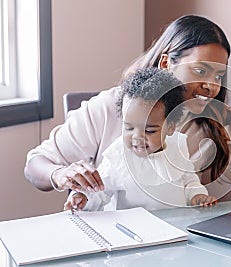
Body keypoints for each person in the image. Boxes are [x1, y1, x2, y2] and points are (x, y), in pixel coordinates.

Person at [24, 15, 231, 207]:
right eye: (200, 71)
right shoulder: (110, 107)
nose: (211, 86)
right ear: (166, 63)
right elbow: (36, 165)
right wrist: (59, 175)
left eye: (219, 76)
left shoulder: (216, 122)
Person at [64, 68, 217, 211]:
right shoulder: (118, 156)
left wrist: (197, 195)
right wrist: (82, 198)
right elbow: (99, 191)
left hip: (175, 228)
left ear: (170, 127)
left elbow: (189, 180)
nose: (137, 137)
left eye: (149, 130)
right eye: (129, 128)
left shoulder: (177, 148)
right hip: (132, 232)